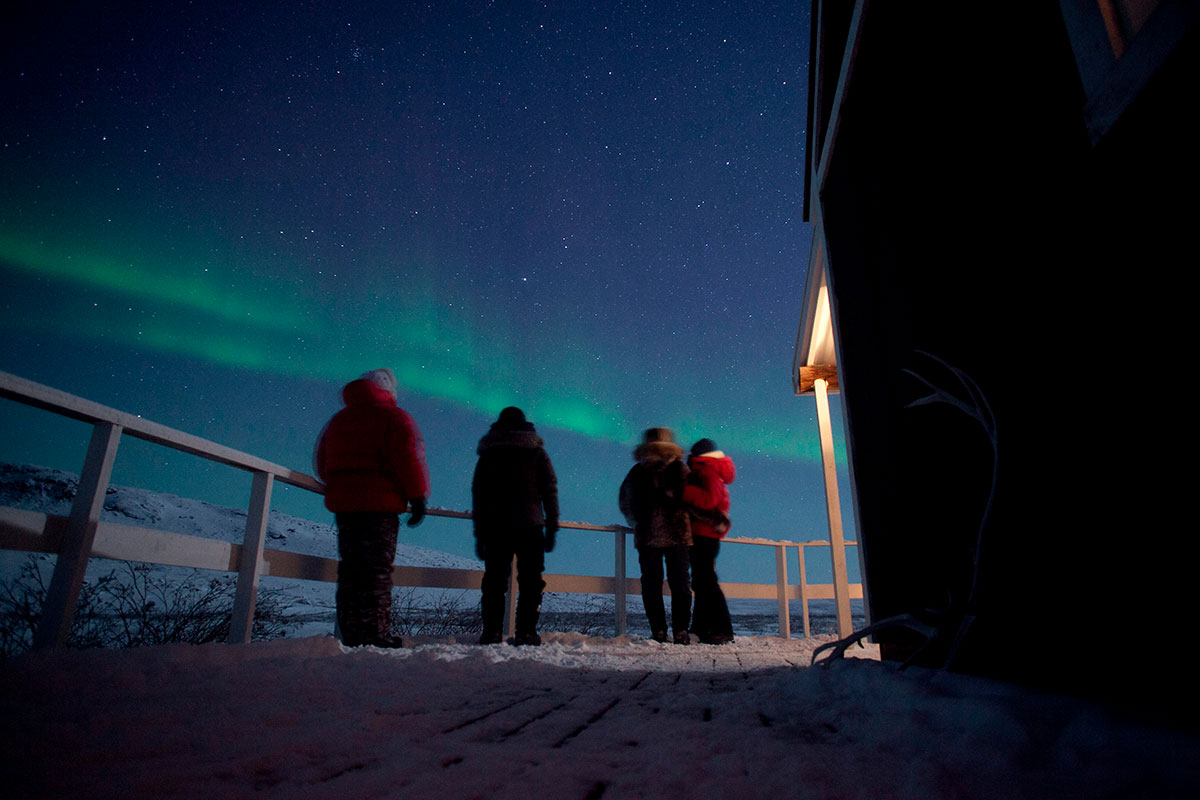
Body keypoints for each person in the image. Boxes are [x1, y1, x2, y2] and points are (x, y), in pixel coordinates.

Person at [314, 368, 430, 648]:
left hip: (345, 508)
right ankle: (373, 637)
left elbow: (321, 463)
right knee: (376, 571)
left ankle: (351, 635)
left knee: (351, 572)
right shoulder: (395, 418)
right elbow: (408, 458)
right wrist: (417, 497)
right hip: (380, 507)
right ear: (389, 391)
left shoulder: (339, 420)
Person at [472, 407, 559, 646]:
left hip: (495, 525)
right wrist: (551, 526)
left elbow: (479, 494)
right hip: (531, 525)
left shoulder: (489, 454)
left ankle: (491, 632)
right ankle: (526, 632)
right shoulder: (537, 453)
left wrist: (479, 532)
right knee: (531, 582)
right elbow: (550, 491)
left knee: (494, 581)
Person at [619, 427, 692, 644]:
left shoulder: (637, 472)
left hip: (648, 535)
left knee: (651, 583)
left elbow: (625, 502)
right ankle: (681, 631)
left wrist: (636, 523)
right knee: (680, 583)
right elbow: (691, 498)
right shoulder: (681, 469)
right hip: (678, 534)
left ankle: (658, 630)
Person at [683, 438, 736, 645]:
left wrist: (683, 492)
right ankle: (702, 629)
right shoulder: (711, 471)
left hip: (704, 534)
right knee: (703, 582)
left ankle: (722, 629)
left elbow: (709, 500)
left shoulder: (707, 471)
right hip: (706, 535)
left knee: (706, 582)